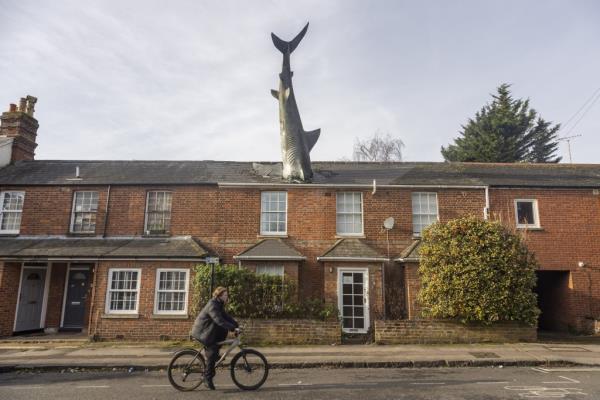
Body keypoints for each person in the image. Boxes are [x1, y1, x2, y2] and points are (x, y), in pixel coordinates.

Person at [190, 286, 239, 390]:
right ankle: (207, 379)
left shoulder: (219, 305)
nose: (227, 297)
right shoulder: (213, 305)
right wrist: (232, 329)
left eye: (227, 295)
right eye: (225, 295)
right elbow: (219, 320)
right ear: (220, 296)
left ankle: (213, 357)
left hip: (208, 331)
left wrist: (236, 325)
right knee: (212, 351)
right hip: (202, 332)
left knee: (217, 343)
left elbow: (225, 317)